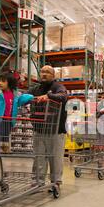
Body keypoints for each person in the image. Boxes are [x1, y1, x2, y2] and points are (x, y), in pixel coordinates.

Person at [28, 65, 68, 193]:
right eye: (42, 71)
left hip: (55, 130)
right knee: (39, 157)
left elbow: (63, 96)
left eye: (48, 72)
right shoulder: (36, 88)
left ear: (53, 75)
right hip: (39, 128)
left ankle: (56, 182)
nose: (44, 74)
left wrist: (49, 96)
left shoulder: (58, 87)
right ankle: (37, 182)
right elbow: (24, 96)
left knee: (55, 158)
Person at [0, 72, 34, 153]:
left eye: (3, 81)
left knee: (6, 134)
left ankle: (5, 148)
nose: (0, 83)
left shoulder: (15, 94)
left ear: (10, 83)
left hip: (9, 119)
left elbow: (21, 99)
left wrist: (31, 96)